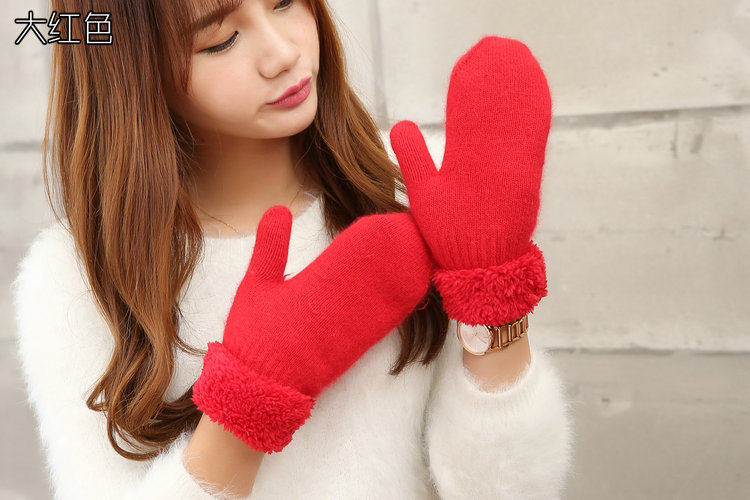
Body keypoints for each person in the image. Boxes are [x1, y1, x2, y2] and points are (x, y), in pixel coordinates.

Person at [11, 0, 573, 498]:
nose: (282, 53)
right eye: (221, 39)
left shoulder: (413, 183)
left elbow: (512, 492)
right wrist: (246, 405)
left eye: (285, 2)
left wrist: (493, 297)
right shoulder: (71, 279)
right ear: (132, 69)